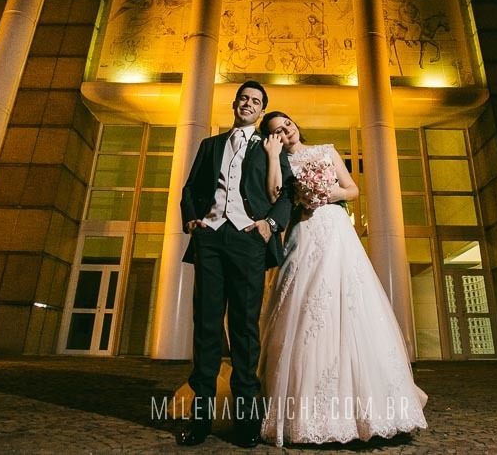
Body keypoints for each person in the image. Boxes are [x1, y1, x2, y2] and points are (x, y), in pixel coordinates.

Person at [257, 111, 429, 447]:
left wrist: (328, 193)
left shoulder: (326, 150)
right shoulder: (278, 161)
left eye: (287, 124)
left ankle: (372, 410)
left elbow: (352, 189)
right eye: (278, 131)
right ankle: (306, 412)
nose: (287, 131)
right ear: (273, 138)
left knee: (351, 301)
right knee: (306, 305)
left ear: (295, 123)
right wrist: (274, 158)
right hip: (303, 232)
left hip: (336, 229)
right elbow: (275, 195)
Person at [176, 81, 294, 448]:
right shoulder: (210, 145)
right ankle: (200, 419)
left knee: (244, 329)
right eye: (244, 98)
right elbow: (190, 189)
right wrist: (192, 219)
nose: (248, 104)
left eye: (256, 101)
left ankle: (246, 421)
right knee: (206, 326)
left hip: (248, 241)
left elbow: (287, 193)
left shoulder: (270, 147)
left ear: (261, 112)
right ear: (235, 103)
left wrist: (270, 224)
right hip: (210, 239)